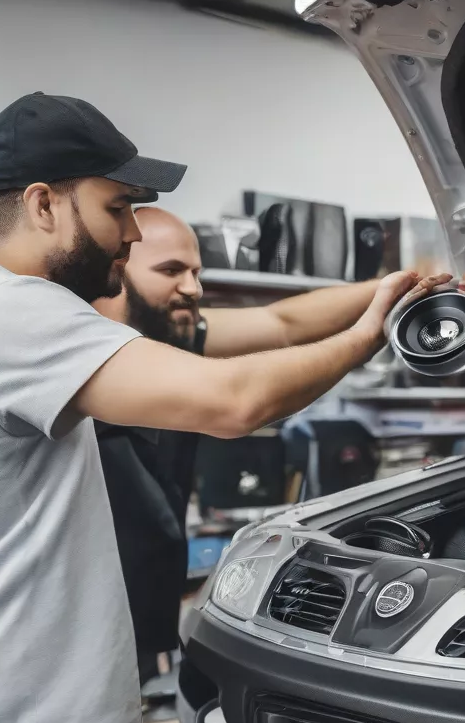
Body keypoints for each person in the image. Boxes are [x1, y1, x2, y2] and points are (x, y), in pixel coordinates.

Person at [0, 91, 447, 723]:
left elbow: (273, 331)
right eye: (115, 205)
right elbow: (234, 402)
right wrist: (372, 339)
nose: (130, 234)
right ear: (45, 203)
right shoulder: (15, 316)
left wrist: (382, 293)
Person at [90, 207, 406, 685]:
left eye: (196, 272)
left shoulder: (172, 335)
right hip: (82, 629)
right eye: (171, 271)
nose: (193, 288)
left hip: (141, 615)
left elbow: (283, 321)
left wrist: (401, 286)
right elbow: (241, 406)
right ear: (116, 269)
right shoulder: (83, 359)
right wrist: (365, 338)